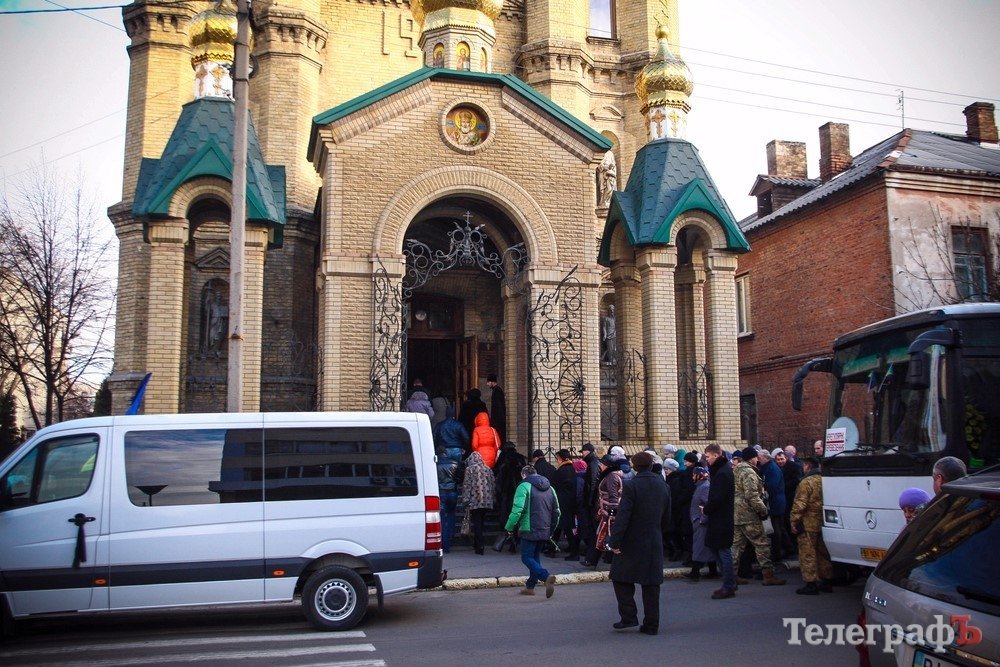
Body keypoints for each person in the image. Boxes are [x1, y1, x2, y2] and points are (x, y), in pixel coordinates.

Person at [606, 451, 670, 635]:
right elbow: (667, 516)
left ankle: (628, 616)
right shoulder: (663, 485)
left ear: (634, 467)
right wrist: (659, 533)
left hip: (631, 540)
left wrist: (614, 541)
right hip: (653, 539)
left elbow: (623, 516)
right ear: (651, 465)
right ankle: (651, 624)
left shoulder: (632, 485)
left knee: (620, 577)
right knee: (651, 584)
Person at [732, 447, 786, 586]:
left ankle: (731, 576)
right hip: (749, 515)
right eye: (756, 457)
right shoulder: (749, 472)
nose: (757, 460)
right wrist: (763, 510)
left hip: (738, 514)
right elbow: (752, 496)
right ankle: (768, 575)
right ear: (752, 458)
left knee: (736, 547)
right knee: (762, 544)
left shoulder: (737, 470)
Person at [504, 464, 560, 597]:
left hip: (528, 528)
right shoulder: (550, 488)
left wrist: (509, 527)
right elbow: (557, 511)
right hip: (545, 528)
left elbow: (517, 510)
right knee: (535, 557)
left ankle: (546, 577)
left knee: (526, 557)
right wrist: (551, 529)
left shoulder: (523, 486)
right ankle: (530, 587)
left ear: (523, 475)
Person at [790, 456, 833, 594]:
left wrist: (794, 521)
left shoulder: (806, 482)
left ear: (807, 466)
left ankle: (811, 583)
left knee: (807, 553)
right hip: (823, 521)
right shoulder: (825, 480)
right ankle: (827, 580)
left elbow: (800, 504)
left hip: (807, 522)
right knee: (822, 553)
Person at [702, 444, 737, 599]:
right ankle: (730, 582)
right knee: (716, 549)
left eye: (708, 456)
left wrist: (706, 509)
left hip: (721, 518)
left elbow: (718, 498)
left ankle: (728, 585)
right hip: (719, 518)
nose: (706, 460)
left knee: (723, 550)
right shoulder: (721, 470)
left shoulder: (722, 473)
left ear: (716, 455)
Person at [685, 466, 718, 581]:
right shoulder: (701, 486)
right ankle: (712, 571)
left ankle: (695, 573)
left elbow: (707, 505)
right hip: (699, 521)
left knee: (699, 547)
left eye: (694, 475)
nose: (692, 477)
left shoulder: (704, 487)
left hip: (701, 523)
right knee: (705, 548)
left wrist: (701, 520)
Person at [461, 451, 495, 555]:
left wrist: (465, 500)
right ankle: (477, 543)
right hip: (487, 501)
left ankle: (479, 545)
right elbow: (492, 483)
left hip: (475, 501)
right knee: (481, 522)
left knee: (476, 523)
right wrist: (493, 498)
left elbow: (467, 486)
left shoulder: (469, 469)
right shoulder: (488, 469)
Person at [593, 454, 625, 564]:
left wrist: (612, 513)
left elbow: (613, 496)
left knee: (606, 534)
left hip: (609, 510)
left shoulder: (612, 476)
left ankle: (601, 560)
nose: (600, 466)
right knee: (604, 534)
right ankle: (602, 559)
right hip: (606, 509)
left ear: (607, 466)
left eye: (602, 464)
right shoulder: (611, 475)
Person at [758, 449, 788, 563]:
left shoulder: (772, 469)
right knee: (778, 527)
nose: (758, 460)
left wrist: (763, 491)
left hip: (775, 502)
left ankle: (778, 552)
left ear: (765, 458)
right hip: (775, 501)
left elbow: (771, 486)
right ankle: (786, 548)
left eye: (760, 458)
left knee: (776, 528)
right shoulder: (768, 467)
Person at [550, 449, 578, 557]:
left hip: (562, 501)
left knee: (565, 527)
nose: (557, 460)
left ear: (561, 459)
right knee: (561, 526)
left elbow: (553, 486)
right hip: (570, 501)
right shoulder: (572, 469)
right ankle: (552, 549)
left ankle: (574, 553)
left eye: (557, 458)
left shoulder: (560, 471)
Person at [776, 446, 802, 557]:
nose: (780, 461)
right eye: (778, 460)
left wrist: (783, 486)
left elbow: (796, 480)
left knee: (791, 523)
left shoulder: (794, 467)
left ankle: (794, 547)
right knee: (785, 523)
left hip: (791, 498)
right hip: (784, 500)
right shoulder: (778, 468)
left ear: (786, 458)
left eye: (782, 459)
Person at [436, 446, 462, 553]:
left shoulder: (435, 464)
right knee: (451, 514)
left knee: (442, 518)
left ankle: (444, 544)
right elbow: (459, 478)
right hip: (452, 492)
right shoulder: (454, 463)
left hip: (441, 492)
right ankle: (451, 537)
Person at [579, 442, 602, 566]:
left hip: (592, 503)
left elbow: (592, 483)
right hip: (592, 502)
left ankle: (591, 558)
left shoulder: (593, 463)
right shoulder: (592, 462)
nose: (582, 454)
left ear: (588, 451)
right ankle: (591, 558)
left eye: (583, 451)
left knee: (593, 531)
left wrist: (590, 501)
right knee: (594, 531)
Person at [494, 442, 527, 526]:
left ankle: (505, 524)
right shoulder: (519, 457)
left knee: (505, 506)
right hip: (519, 485)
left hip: (506, 486)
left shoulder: (503, 457)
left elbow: (497, 470)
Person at [486, 374, 507, 443]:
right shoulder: (497, 390)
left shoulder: (497, 391)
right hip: (498, 420)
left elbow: (498, 407)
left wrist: (496, 421)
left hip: (498, 421)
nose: (487, 384)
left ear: (492, 382)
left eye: (488, 382)